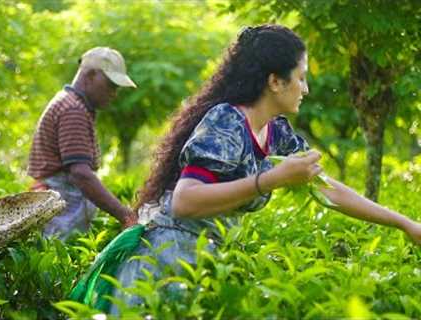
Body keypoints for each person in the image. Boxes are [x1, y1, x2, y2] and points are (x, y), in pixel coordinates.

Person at [107, 25, 421, 314]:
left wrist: (405, 224)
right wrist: (270, 180)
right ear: (274, 81)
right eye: (301, 77)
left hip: (205, 263)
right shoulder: (225, 121)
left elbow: (329, 189)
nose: (306, 89)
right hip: (164, 264)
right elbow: (185, 202)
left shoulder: (276, 132)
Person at [27, 47, 138, 241]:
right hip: (61, 218)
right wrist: (125, 215)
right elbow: (81, 174)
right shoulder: (73, 110)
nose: (114, 93)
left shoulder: (70, 104)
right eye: (111, 84)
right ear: (91, 75)